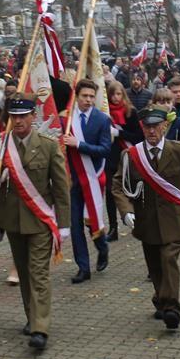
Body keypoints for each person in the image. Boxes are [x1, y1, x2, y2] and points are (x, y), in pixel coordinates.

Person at [0, 96, 70, 351]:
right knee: (24, 272)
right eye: (14, 116)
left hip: (39, 221)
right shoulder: (0, 143)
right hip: (12, 222)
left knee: (38, 273)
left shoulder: (49, 146)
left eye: (23, 116)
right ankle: (32, 318)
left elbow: (61, 188)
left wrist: (64, 223)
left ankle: (40, 328)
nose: (18, 121)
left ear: (33, 117)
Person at [112, 105, 180, 329]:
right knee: (155, 265)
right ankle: (160, 298)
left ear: (165, 126)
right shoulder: (130, 155)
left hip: (174, 219)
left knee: (168, 259)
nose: (151, 131)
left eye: (156, 126)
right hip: (146, 219)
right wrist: (126, 210)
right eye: (147, 126)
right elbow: (118, 185)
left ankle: (172, 308)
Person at [62, 78, 113, 284]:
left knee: (92, 222)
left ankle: (102, 247)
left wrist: (79, 144)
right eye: (85, 96)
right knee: (75, 226)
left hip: (93, 178)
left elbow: (105, 149)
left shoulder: (102, 120)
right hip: (72, 181)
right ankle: (83, 267)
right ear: (77, 96)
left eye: (92, 96)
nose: (89, 100)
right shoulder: (67, 120)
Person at [105, 78, 140, 239]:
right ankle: (113, 227)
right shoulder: (105, 114)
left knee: (132, 191)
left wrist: (120, 133)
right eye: (112, 94)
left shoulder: (131, 112)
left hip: (128, 157)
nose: (115, 97)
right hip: (111, 158)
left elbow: (138, 137)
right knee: (111, 192)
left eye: (118, 94)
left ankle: (136, 221)